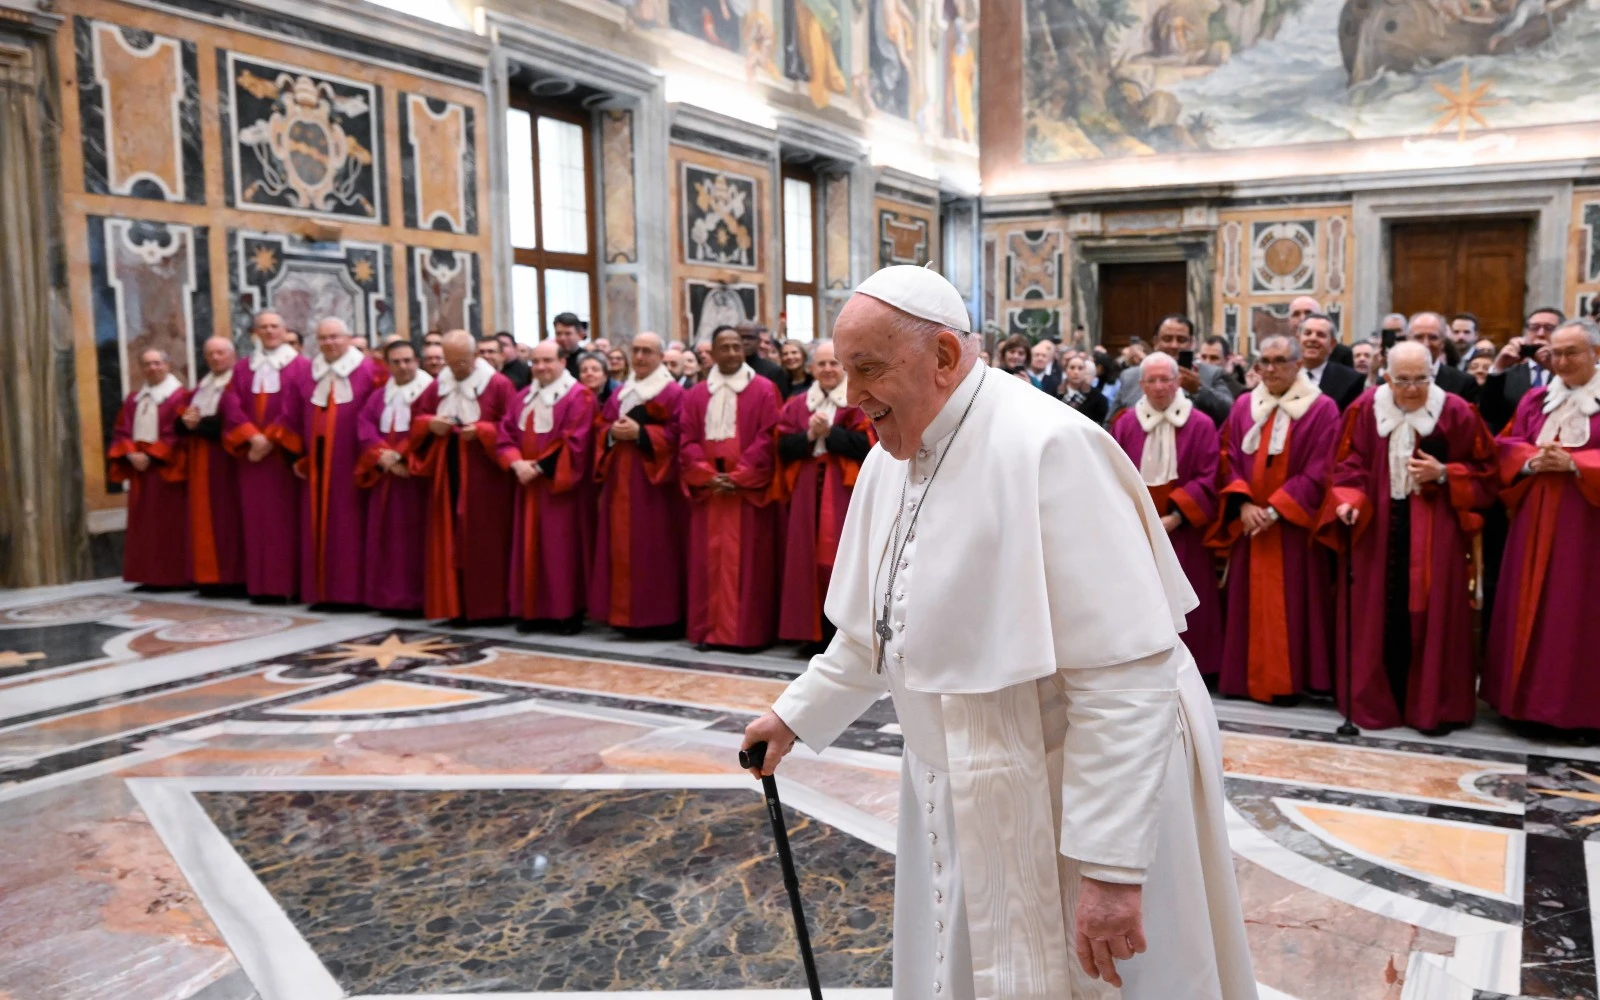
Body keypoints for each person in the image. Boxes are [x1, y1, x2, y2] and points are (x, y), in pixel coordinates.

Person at [742, 265, 1254, 1000]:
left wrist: (1110, 869)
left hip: (1072, 785)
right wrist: (797, 713)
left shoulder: (1051, 448)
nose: (851, 400)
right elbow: (881, 626)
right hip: (963, 776)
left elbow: (1125, 677)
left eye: (869, 370)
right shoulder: (897, 453)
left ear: (944, 357)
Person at [1318, 341, 1498, 733]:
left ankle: (1433, 705)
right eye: (1403, 380)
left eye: (1421, 379)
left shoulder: (1456, 411)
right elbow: (1345, 466)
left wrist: (1446, 473)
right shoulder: (1364, 409)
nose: (1413, 389)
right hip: (1376, 526)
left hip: (1437, 529)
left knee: (1435, 612)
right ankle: (1375, 703)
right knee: (1374, 613)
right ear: (1386, 377)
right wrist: (1347, 501)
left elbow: (1488, 470)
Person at [1209, 333, 1341, 703]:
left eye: (1279, 361)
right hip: (1250, 526)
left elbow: (1322, 468)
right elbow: (1227, 457)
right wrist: (1244, 504)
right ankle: (1241, 679)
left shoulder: (1321, 408)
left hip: (1292, 529)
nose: (1269, 369)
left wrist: (1276, 507)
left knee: (1294, 605)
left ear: (1298, 364)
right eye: (1263, 361)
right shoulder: (1244, 406)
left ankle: (1288, 681)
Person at [1483, 318, 1600, 732]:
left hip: (1587, 525)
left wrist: (1577, 462)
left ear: (1596, 355)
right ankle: (1523, 704)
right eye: (1555, 353)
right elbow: (1506, 444)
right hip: (1533, 520)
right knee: (1527, 606)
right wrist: (1532, 460)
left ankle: (1579, 713)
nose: (1562, 362)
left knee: (1577, 613)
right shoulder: (1536, 399)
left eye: (1572, 353)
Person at [1111, 353, 1224, 677]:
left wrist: (1175, 516)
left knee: (1189, 599)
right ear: (1142, 384)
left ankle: (1196, 668)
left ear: (1178, 382)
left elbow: (1209, 476)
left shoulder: (1200, 424)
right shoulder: (1126, 424)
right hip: (1139, 532)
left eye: (1166, 380)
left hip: (1185, 529)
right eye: (1152, 381)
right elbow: (1114, 475)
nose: (1160, 387)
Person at [680, 325, 783, 650]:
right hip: (711, 493)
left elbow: (768, 437)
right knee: (708, 564)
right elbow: (687, 439)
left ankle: (746, 634)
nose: (732, 353)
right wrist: (705, 474)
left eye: (737, 346)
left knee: (749, 566)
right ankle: (709, 631)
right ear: (712, 351)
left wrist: (738, 476)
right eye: (725, 347)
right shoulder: (696, 394)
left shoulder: (764, 389)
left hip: (744, 495)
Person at [407, 329, 518, 622]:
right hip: (448, 470)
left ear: (475, 356)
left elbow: (512, 427)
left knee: (485, 539)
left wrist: (482, 431)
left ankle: (489, 608)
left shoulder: (498, 385)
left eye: (462, 362)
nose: (456, 368)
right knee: (449, 536)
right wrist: (431, 424)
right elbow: (418, 417)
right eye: (451, 361)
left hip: (486, 476)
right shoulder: (439, 385)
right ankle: (454, 605)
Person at [773, 340, 873, 649]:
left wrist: (831, 434)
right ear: (811, 369)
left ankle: (842, 635)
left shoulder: (858, 400)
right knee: (804, 559)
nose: (828, 369)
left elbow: (869, 446)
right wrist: (809, 436)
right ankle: (809, 632)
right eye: (822, 364)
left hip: (844, 490)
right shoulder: (797, 404)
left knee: (841, 560)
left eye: (833, 363)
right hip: (806, 489)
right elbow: (783, 447)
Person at [591, 332, 688, 634]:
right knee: (619, 545)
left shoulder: (672, 393)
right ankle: (622, 616)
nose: (641, 357)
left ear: (660, 356)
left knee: (653, 549)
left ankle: (655, 618)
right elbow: (600, 426)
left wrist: (643, 434)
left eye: (647, 351)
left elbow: (678, 435)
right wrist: (611, 433)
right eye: (636, 351)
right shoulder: (622, 392)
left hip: (653, 487)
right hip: (620, 479)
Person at [498, 340, 597, 632]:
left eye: (547, 361)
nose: (541, 367)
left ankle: (565, 612)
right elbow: (504, 432)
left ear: (563, 362)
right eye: (536, 362)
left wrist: (540, 468)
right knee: (529, 549)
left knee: (561, 550)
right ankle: (532, 610)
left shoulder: (580, 397)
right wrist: (515, 462)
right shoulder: (523, 397)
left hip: (559, 490)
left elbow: (576, 441)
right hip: (527, 485)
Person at [220, 310, 312, 601]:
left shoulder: (302, 367)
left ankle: (287, 585)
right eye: (263, 327)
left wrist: (269, 439)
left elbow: (294, 410)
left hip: (282, 457)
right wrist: (251, 436)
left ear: (285, 332)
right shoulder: (243, 368)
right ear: (255, 333)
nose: (270, 331)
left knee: (285, 522)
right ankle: (259, 585)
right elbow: (232, 405)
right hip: (252, 458)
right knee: (255, 521)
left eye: (275, 326)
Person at [295, 317, 383, 606]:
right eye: (323, 338)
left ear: (347, 338)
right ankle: (321, 590)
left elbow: (376, 414)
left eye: (334, 337)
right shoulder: (310, 373)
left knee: (348, 525)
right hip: (319, 462)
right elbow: (295, 413)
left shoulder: (369, 370)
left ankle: (349, 592)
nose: (329, 343)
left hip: (352, 462)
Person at [355, 339, 431, 615]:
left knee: (416, 540)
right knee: (388, 540)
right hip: (386, 478)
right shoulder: (379, 396)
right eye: (396, 362)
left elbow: (427, 429)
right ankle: (390, 598)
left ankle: (418, 598)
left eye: (408, 360)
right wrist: (383, 457)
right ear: (387, 365)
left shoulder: (429, 391)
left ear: (417, 361)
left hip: (418, 479)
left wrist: (402, 457)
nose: (403, 366)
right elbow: (365, 426)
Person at [108, 348, 190, 587]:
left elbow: (176, 432)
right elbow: (122, 429)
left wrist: (152, 455)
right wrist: (131, 452)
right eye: (147, 364)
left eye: (157, 363)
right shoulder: (134, 399)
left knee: (169, 524)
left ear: (168, 365)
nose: (152, 368)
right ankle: (147, 575)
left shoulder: (179, 397)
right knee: (143, 526)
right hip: (140, 470)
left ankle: (173, 577)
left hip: (166, 469)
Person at [179, 337, 246, 592]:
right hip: (202, 458)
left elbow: (235, 420)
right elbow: (185, 417)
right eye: (210, 354)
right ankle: (209, 577)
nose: (216, 358)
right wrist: (186, 422)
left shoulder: (238, 382)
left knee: (228, 518)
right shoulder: (202, 386)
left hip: (227, 459)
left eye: (220, 353)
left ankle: (233, 577)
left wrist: (200, 425)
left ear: (232, 355)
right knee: (204, 518)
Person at [1113, 315, 1235, 426]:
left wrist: (1199, 390)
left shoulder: (1210, 374)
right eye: (1167, 339)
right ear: (1156, 342)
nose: (1174, 345)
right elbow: (1111, 422)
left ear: (1192, 343)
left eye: (1181, 340)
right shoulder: (1131, 376)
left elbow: (1231, 413)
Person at [1480, 307, 1564, 434]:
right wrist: (1498, 368)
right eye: (1534, 327)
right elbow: (1489, 415)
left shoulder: (1571, 372)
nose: (1540, 333)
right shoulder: (1509, 371)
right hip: (1514, 445)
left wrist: (1556, 370)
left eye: (1549, 328)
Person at [1405, 312, 1478, 402]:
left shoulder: (1463, 382)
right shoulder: (1388, 381)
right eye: (1419, 337)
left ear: (1443, 342)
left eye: (1433, 337)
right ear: (1408, 340)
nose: (1426, 344)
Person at [1298, 313, 1365, 412]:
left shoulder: (1350, 380)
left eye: (1320, 335)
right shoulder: (1283, 375)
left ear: (1332, 345)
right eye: (1307, 333)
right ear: (1298, 339)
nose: (1312, 338)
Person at [1060, 354, 1109, 425]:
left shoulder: (1098, 398)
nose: (1076, 372)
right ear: (1066, 370)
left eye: (1080, 368)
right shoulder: (1054, 393)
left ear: (1085, 371)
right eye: (1072, 368)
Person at [738, 322, 788, 389]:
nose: (746, 342)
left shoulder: (774, 371)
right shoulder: (727, 368)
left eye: (750, 338)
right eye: (742, 337)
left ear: (758, 341)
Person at [553, 312, 588, 379]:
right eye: (558, 333)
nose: (562, 338)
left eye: (568, 333)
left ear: (579, 334)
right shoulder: (551, 359)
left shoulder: (587, 359)